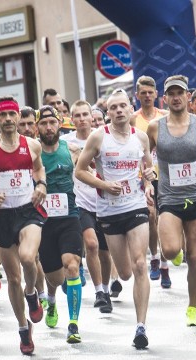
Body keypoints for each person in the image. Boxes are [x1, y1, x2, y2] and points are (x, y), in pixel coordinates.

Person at [76, 89, 155, 348]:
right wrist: (103, 183)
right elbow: (80, 171)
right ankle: (119, 280)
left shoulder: (141, 138)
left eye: (123, 106)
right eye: (114, 108)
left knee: (141, 264)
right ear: (108, 112)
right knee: (124, 272)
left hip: (135, 207)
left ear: (130, 109)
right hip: (109, 211)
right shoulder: (99, 137)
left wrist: (149, 182)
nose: (119, 111)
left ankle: (141, 327)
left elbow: (147, 167)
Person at [0, 96, 47, 355]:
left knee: (28, 257)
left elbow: (39, 170)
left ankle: (32, 293)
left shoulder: (32, 145)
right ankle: (22, 328)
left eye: (11, 115)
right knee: (13, 278)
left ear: (18, 117)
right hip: (2, 216)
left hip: (29, 211)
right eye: (2, 115)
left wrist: (41, 185)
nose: (7, 120)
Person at [147, 75, 196, 325]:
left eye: (180, 93)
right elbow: (144, 155)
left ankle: (192, 308)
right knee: (171, 250)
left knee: (195, 257)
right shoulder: (155, 127)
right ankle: (175, 250)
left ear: (188, 96)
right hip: (169, 197)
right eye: (171, 94)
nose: (175, 97)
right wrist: (147, 174)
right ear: (165, 98)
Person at [36, 105, 84, 343]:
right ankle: (52, 301)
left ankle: (73, 323)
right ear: (38, 127)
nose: (48, 127)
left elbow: (91, 168)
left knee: (72, 266)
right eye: (43, 123)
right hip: (43, 222)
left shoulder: (72, 150)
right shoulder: (33, 153)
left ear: (59, 124)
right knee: (54, 278)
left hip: (69, 217)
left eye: (52, 122)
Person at [63, 100, 114, 313]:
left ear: (92, 118)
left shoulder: (103, 136)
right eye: (78, 115)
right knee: (91, 245)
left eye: (86, 114)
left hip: (104, 200)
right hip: (80, 201)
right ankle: (99, 292)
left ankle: (107, 288)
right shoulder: (65, 142)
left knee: (105, 250)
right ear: (72, 119)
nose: (83, 119)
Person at [131, 75, 171, 288]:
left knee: (166, 219)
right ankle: (155, 257)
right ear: (137, 95)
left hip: (165, 175)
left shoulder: (165, 116)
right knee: (151, 216)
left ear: (157, 94)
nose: (147, 96)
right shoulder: (132, 119)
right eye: (143, 93)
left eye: (150, 92)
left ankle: (165, 265)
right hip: (142, 176)